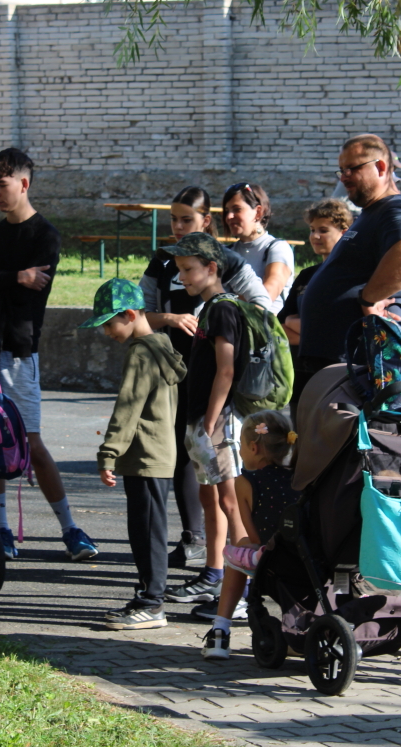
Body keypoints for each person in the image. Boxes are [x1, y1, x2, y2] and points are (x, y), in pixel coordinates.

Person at [0, 147, 99, 562]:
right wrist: (16, 277)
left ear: (23, 183)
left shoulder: (46, 235)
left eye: (2, 185)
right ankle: (1, 529)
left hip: (20, 354)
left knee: (31, 442)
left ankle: (70, 528)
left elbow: (28, 293)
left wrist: (2, 281)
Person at [140, 186, 270, 570]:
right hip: (182, 383)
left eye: (187, 219)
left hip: (217, 403)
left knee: (228, 498)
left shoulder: (223, 293)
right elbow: (140, 315)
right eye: (173, 219)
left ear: (205, 221)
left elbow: (260, 313)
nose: (178, 227)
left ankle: (243, 574)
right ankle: (210, 562)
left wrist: (212, 416)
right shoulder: (163, 264)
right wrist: (169, 319)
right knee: (202, 484)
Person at [81, 279, 187, 630]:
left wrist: (108, 454)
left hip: (146, 456)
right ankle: (147, 597)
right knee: (146, 530)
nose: (106, 332)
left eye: (109, 324)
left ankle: (152, 604)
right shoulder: (162, 345)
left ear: (129, 315)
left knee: (147, 532)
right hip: (156, 453)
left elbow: (127, 409)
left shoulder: (141, 353)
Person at [298, 133, 401, 404]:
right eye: (341, 170)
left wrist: (368, 298)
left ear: (380, 167)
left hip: (356, 366)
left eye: (352, 169)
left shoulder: (395, 210)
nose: (343, 177)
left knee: (344, 432)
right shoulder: (372, 212)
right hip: (334, 362)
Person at [162, 233, 249, 613]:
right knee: (210, 497)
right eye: (179, 269)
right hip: (203, 419)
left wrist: (211, 420)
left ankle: (244, 591)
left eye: (187, 269)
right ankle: (214, 575)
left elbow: (226, 371)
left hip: (219, 421)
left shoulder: (224, 309)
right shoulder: (210, 308)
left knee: (231, 502)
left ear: (211, 268)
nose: (181, 277)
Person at [201, 409, 300, 660]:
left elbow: (254, 538)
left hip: (274, 563)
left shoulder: (246, 482)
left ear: (253, 448)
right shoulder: (300, 477)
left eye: (241, 446)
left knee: (236, 552)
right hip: (307, 559)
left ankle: (220, 631)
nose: (241, 452)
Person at [278, 198, 353, 403]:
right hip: (300, 372)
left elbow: (336, 334)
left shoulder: (351, 278)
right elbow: (280, 326)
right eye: (312, 230)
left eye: (323, 230)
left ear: (344, 233)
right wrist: (312, 335)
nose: (315, 236)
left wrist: (296, 324)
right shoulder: (306, 276)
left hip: (336, 375)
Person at [221, 182, 294, 314]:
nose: (229, 217)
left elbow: (266, 297)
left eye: (237, 209)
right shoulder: (227, 252)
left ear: (258, 212)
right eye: (227, 211)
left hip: (264, 325)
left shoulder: (277, 248)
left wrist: (227, 300)